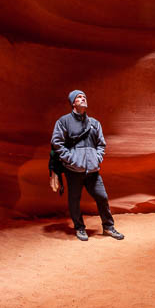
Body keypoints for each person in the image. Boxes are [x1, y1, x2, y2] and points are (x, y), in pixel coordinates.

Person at [50, 90, 124, 241]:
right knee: (74, 200)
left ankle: (108, 228)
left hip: (92, 170)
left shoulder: (94, 123)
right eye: (79, 97)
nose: (83, 98)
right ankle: (80, 228)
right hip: (73, 170)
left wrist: (96, 159)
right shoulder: (63, 121)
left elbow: (101, 144)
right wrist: (71, 159)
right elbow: (56, 143)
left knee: (102, 197)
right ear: (73, 102)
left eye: (84, 96)